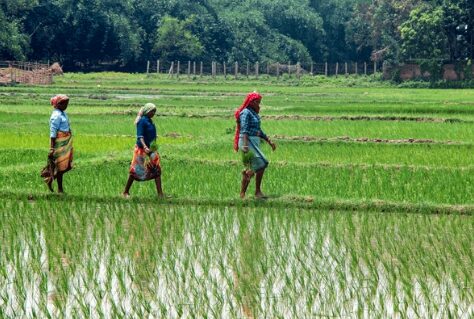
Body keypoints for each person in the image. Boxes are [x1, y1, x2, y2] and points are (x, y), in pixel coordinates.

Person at [234, 92, 276, 199]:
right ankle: (244, 193)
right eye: (257, 102)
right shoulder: (246, 113)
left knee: (259, 166)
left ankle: (256, 191)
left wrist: (269, 141)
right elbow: (244, 129)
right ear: (251, 102)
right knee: (262, 163)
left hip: (254, 141)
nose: (259, 104)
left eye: (259, 102)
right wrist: (245, 145)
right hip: (246, 141)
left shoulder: (254, 114)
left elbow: (259, 130)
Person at [123, 103, 163, 198]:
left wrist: (153, 147)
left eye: (154, 111)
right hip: (142, 149)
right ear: (147, 111)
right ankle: (125, 192)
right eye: (152, 111)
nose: (153, 113)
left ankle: (160, 194)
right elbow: (140, 136)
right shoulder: (142, 121)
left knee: (156, 169)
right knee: (135, 171)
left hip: (152, 149)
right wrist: (145, 147)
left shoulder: (150, 121)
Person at [43, 94, 73, 193]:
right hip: (59, 143)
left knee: (66, 166)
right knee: (61, 167)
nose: (66, 106)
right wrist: (52, 148)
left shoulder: (62, 113)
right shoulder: (56, 116)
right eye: (65, 104)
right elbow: (53, 132)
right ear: (59, 104)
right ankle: (57, 187)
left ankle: (52, 181)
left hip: (66, 142)